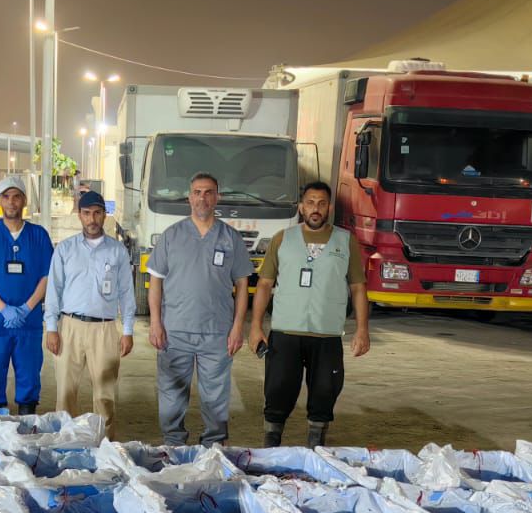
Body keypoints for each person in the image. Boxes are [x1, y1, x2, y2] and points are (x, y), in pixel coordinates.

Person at [248, 180, 370, 447]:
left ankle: (316, 444)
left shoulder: (345, 241)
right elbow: (265, 284)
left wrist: (362, 330)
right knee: (278, 389)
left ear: (330, 208)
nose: (316, 208)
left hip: (326, 334)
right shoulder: (283, 239)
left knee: (325, 391)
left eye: (322, 203)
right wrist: (255, 326)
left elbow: (358, 288)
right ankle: (271, 443)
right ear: (301, 207)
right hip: (285, 331)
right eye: (311, 203)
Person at [148, 172, 252, 445]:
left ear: (217, 197)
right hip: (175, 331)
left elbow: (242, 285)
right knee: (171, 394)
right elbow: (155, 282)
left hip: (217, 333)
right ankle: (173, 445)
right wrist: (156, 323)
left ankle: (213, 447)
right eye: (197, 192)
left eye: (208, 192)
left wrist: (238, 327)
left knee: (215, 396)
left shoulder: (230, 238)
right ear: (189, 198)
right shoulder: (171, 236)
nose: (202, 198)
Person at [44, 189, 135, 435]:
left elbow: (127, 293)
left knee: (105, 397)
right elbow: (54, 290)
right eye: (86, 213)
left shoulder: (117, 251)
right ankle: (65, 444)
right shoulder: (65, 249)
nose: (92, 219)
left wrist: (127, 331)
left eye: (97, 213)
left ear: (105, 215)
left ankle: (106, 447)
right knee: (65, 394)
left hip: (105, 329)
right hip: (69, 327)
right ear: (79, 215)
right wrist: (51, 328)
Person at [0, 173, 53, 413]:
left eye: (17, 197)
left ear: (24, 200)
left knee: (29, 381)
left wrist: (27, 308)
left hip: (28, 323)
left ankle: (26, 427)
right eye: (6, 197)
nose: (11, 202)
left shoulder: (38, 235)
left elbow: (47, 276)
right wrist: (3, 308)